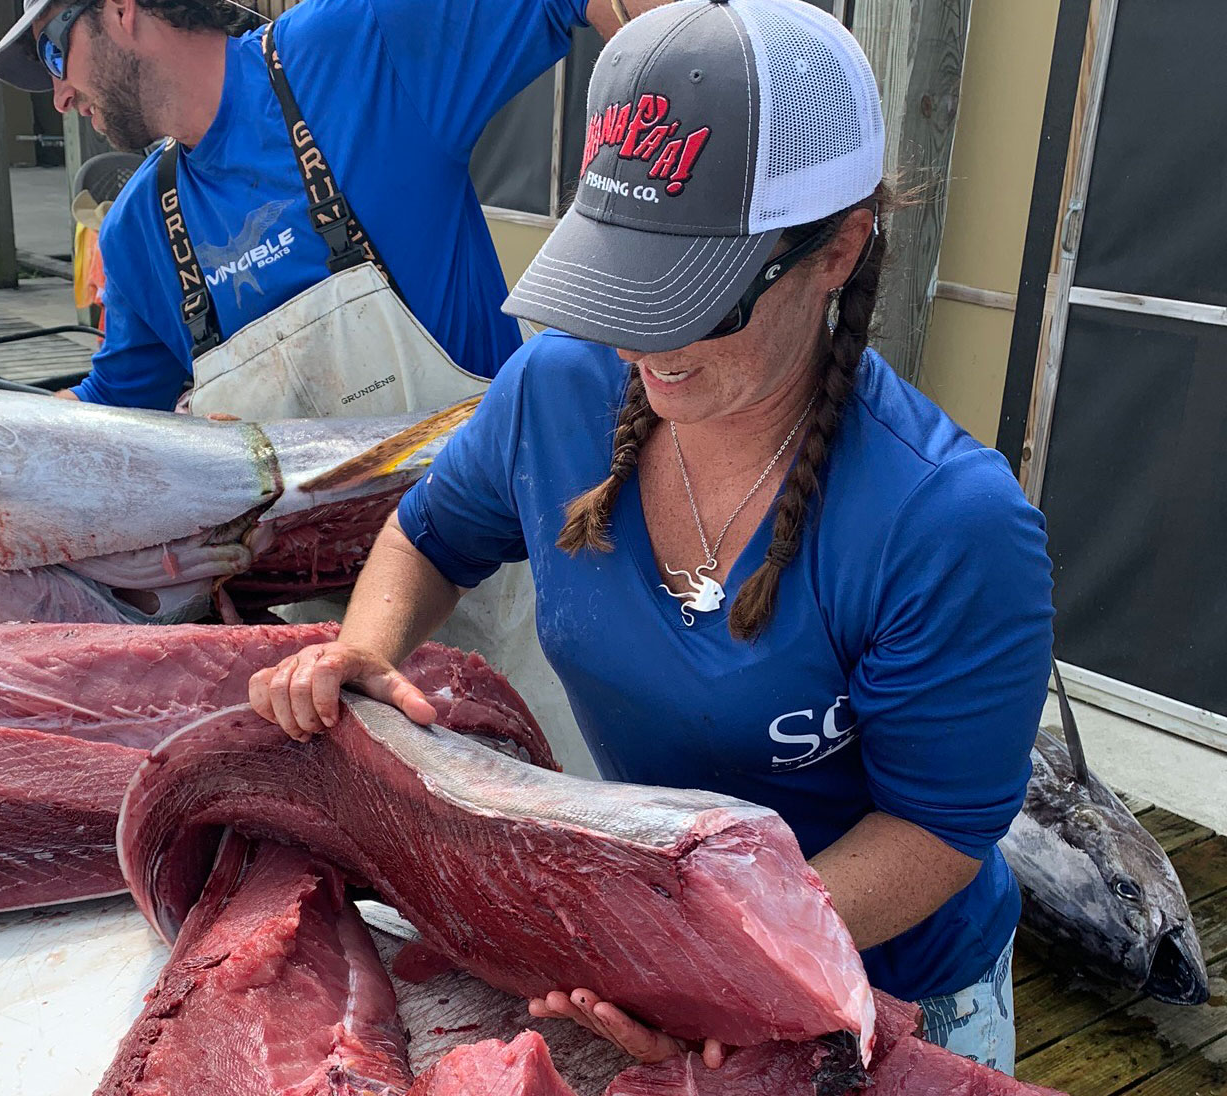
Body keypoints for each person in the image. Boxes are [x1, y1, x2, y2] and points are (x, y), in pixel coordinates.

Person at [248, 0, 1055, 1076]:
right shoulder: (557, 394)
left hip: (890, 974)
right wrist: (371, 643)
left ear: (836, 252)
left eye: (695, 296)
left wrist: (718, 958)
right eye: (620, 277)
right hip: (663, 943)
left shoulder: (948, 523)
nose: (641, 337)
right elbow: (432, 534)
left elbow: (938, 833)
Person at [0, 0, 656, 416]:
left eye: (53, 54)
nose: (58, 98)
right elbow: (116, 416)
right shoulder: (138, 234)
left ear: (122, 9)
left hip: (496, 568)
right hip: (306, 622)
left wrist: (681, 205)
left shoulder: (358, 48)